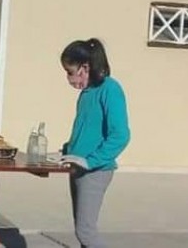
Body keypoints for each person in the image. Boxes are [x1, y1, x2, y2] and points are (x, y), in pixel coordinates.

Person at [60, 38, 130, 248]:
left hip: (95, 171)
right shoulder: (86, 93)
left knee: (85, 232)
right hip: (78, 169)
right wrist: (66, 151)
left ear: (85, 67)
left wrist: (90, 161)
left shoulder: (110, 89)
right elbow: (85, 132)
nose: (68, 78)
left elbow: (121, 135)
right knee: (82, 230)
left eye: (70, 71)